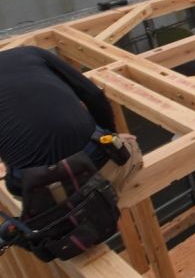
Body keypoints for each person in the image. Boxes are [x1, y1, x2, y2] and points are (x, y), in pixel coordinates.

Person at [0, 46, 142, 197]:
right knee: (130, 148)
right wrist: (111, 137)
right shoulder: (28, 52)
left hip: (39, 191)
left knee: (15, 185)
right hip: (95, 163)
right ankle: (106, 199)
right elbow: (93, 94)